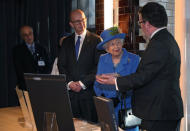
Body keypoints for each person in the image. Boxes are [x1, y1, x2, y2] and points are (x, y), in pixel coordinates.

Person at [96, 2, 184, 131]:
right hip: (161, 111)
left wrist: (115, 81)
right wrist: (118, 78)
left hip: (160, 113)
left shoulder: (158, 44)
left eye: (140, 23)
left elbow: (142, 77)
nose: (141, 27)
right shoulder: (165, 39)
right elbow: (151, 74)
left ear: (147, 24)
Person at [57, 9, 103, 122]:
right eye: (77, 21)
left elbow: (99, 66)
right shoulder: (67, 42)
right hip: (71, 96)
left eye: (83, 20)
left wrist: (82, 83)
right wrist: (70, 83)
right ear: (71, 24)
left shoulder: (96, 40)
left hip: (88, 95)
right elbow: (61, 65)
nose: (81, 24)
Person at [94, 27, 140, 131]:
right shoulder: (102, 59)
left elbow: (137, 84)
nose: (116, 46)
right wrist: (103, 98)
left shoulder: (134, 59)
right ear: (106, 48)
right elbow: (97, 84)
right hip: (107, 110)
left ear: (122, 43)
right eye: (112, 44)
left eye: (118, 42)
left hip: (128, 111)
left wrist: (118, 97)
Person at [13, 25, 51, 90]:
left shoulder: (42, 48)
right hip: (26, 86)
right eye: (25, 35)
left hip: (42, 84)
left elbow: (48, 66)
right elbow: (19, 71)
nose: (29, 37)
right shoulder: (17, 50)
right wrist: (32, 80)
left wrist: (42, 79)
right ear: (22, 37)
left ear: (33, 34)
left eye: (30, 33)